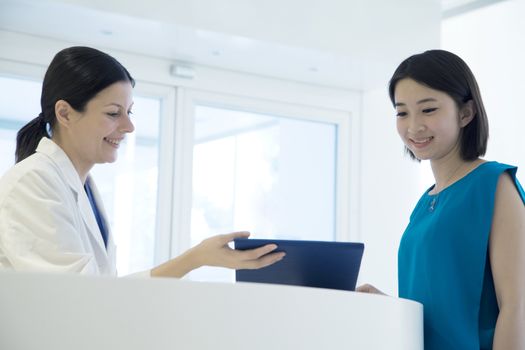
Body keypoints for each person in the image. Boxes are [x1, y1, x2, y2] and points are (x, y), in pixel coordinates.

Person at [0, 46, 285, 277]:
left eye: (129, 113)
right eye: (113, 113)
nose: (128, 127)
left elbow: (105, 294)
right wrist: (193, 260)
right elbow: (79, 300)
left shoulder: (82, 187)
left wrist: (197, 258)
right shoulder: (33, 182)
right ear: (65, 113)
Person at [357, 50, 525, 349]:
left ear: (466, 113)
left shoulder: (494, 184)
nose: (413, 126)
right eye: (402, 112)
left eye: (428, 110)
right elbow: (441, 306)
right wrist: (390, 307)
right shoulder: (425, 203)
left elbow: (517, 307)